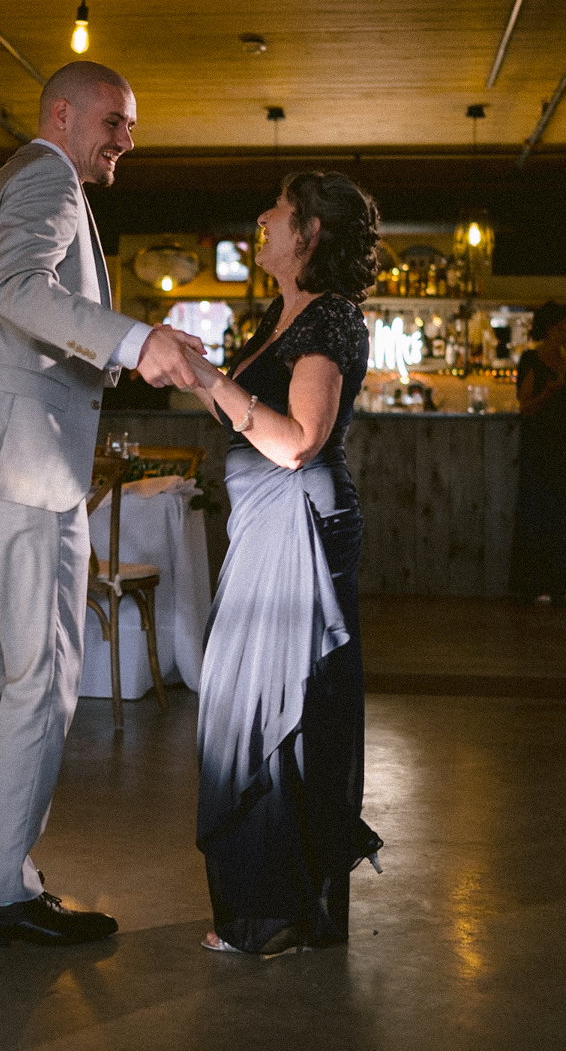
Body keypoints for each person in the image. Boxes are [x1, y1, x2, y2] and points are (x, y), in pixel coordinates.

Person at [0, 60, 203, 949]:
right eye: (116, 120)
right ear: (62, 114)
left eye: (130, 126)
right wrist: (132, 337)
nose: (125, 140)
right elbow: (16, 292)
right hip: (23, 465)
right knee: (42, 681)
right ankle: (4, 888)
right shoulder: (46, 179)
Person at [181, 171, 385, 955]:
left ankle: (279, 914)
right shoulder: (286, 311)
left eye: (277, 209)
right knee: (246, 707)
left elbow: (297, 441)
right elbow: (247, 415)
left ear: (308, 235)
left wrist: (207, 379)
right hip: (265, 525)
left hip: (299, 529)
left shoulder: (332, 317)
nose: (262, 216)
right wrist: (204, 372)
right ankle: (269, 903)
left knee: (280, 716)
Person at [512, 302, 566, 607]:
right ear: (550, 327)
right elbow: (525, 407)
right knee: (541, 512)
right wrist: (548, 392)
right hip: (542, 442)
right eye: (565, 323)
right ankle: (540, 584)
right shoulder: (530, 359)